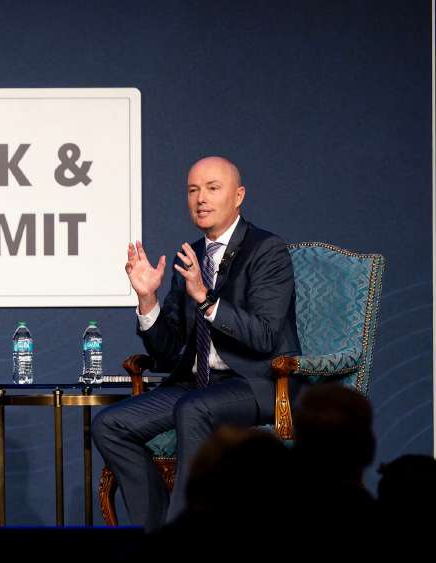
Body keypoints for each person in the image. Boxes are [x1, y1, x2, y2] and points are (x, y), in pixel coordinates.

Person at [93, 156, 302, 529]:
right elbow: (166, 353)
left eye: (212, 188)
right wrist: (147, 300)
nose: (200, 199)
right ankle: (153, 532)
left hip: (255, 383)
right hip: (195, 386)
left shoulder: (267, 251)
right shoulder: (190, 256)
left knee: (194, 409)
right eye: (192, 190)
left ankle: (184, 541)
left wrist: (206, 299)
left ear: (238, 196)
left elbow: (266, 336)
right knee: (110, 424)